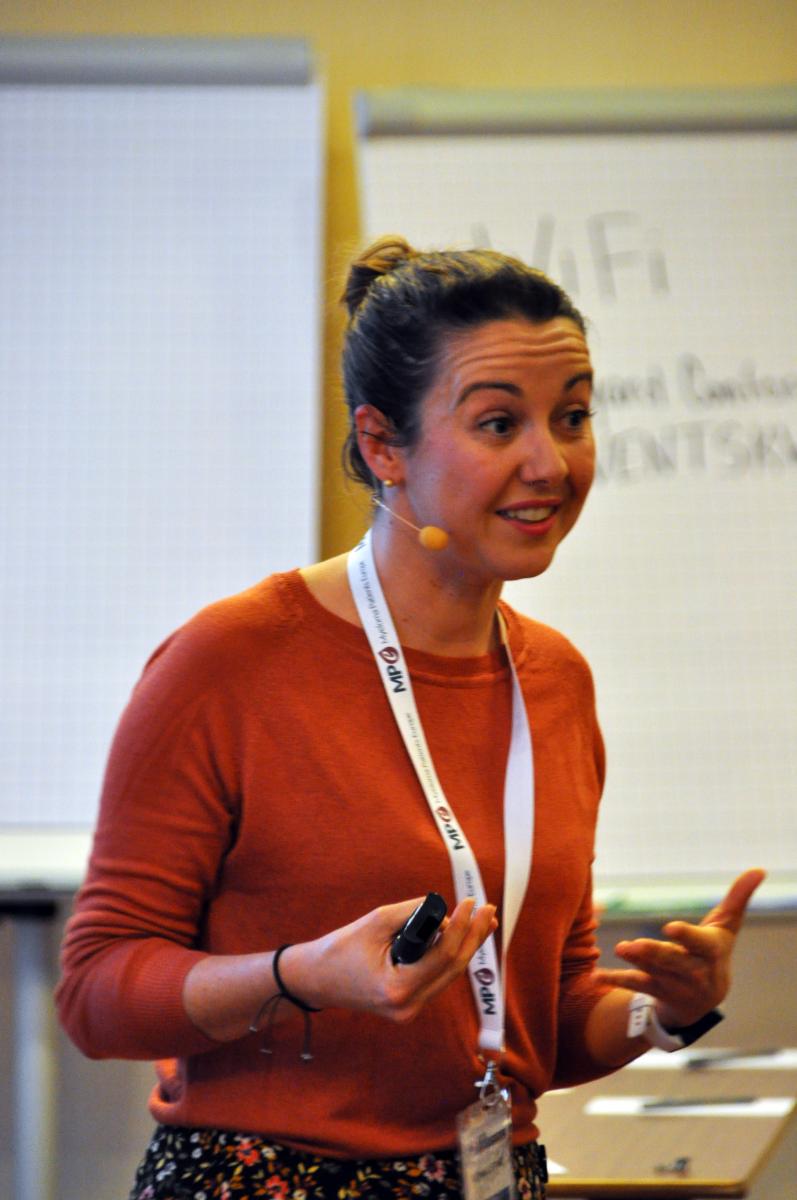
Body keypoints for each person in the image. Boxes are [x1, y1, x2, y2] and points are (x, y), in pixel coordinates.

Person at [56, 236, 764, 1200]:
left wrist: (665, 1013)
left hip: (488, 1177)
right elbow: (96, 995)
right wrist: (299, 975)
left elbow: (546, 1019)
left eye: (572, 417)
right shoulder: (228, 662)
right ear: (383, 444)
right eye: (498, 424)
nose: (549, 462)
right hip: (262, 1180)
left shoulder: (555, 681)